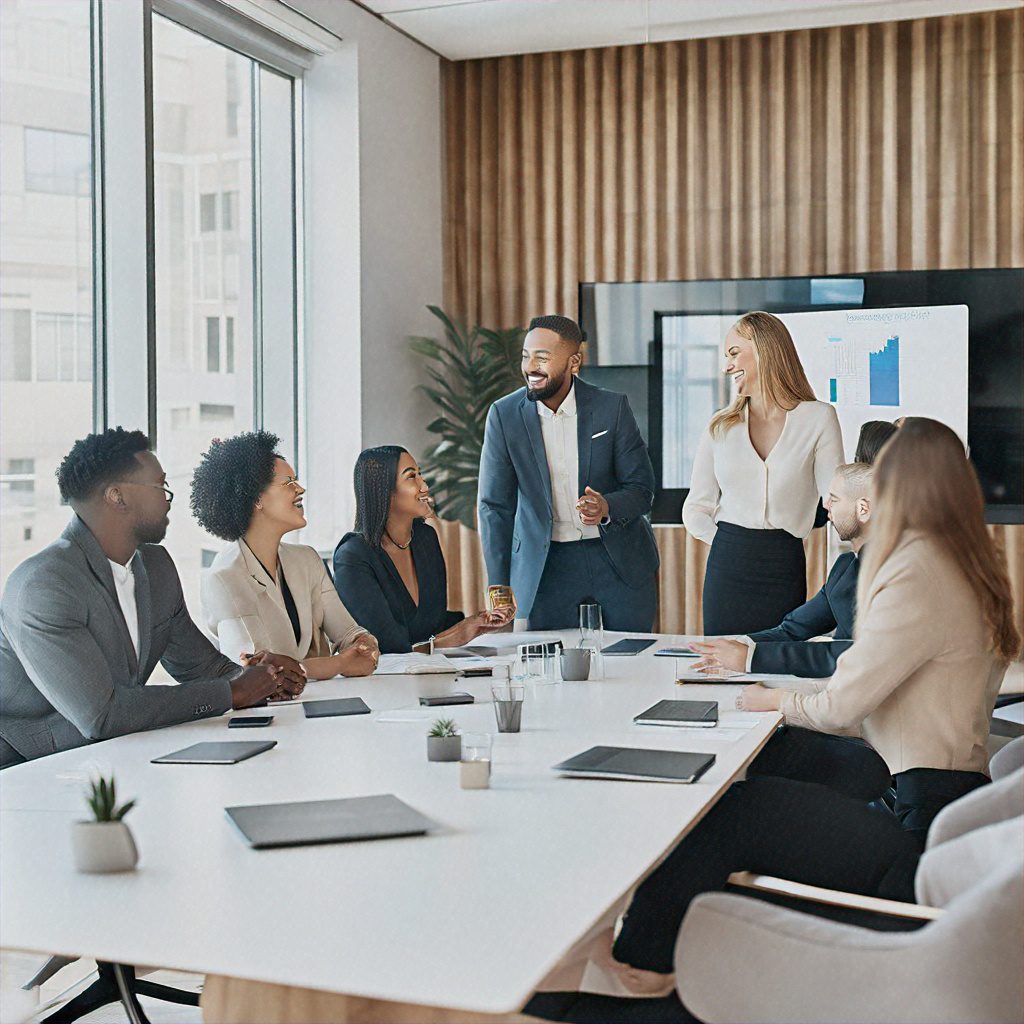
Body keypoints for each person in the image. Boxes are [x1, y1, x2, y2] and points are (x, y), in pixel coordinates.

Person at [736, 418, 1020, 840]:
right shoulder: (971, 561)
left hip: (915, 803)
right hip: (946, 783)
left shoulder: (915, 570)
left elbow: (840, 708)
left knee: (740, 806)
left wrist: (772, 698)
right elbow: (863, 683)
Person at [0, 428, 300, 769]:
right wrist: (232, 693)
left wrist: (263, 679)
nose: (168, 498)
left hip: (113, 758)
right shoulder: (43, 585)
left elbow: (202, 667)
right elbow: (101, 715)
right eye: (159, 486)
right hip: (24, 770)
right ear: (117, 496)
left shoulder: (156, 567)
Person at [478, 314, 660, 631]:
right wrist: (499, 585)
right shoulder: (504, 415)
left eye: (542, 357)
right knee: (546, 668)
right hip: (546, 567)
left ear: (574, 362)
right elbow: (494, 506)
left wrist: (606, 507)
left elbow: (642, 490)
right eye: (526, 356)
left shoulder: (611, 408)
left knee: (632, 661)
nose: (530, 367)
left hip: (617, 560)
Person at [683, 311, 844, 635]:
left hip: (783, 565)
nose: (726, 366)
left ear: (764, 349)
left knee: (777, 664)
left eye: (734, 353)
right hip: (727, 566)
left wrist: (845, 574)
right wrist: (731, 544)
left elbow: (837, 503)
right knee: (723, 670)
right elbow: (696, 508)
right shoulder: (720, 426)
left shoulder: (818, 418)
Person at [193, 432, 379, 679]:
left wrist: (363, 643)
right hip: (269, 715)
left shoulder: (307, 559)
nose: (300, 489)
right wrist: (341, 664)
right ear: (257, 499)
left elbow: (350, 636)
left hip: (321, 705)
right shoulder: (224, 578)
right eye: (288, 483)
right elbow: (256, 674)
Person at [690, 460, 872, 678]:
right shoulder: (844, 566)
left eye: (834, 499)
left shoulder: (891, 573)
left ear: (863, 508)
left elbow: (859, 653)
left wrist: (751, 658)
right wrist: (737, 645)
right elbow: (795, 628)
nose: (826, 506)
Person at [333, 446, 514, 654]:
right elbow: (386, 647)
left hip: (433, 670)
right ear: (383, 490)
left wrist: (478, 623)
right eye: (411, 477)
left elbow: (432, 626)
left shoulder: (425, 538)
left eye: (421, 474)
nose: (425, 486)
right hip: (385, 680)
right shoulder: (353, 557)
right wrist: (454, 635)